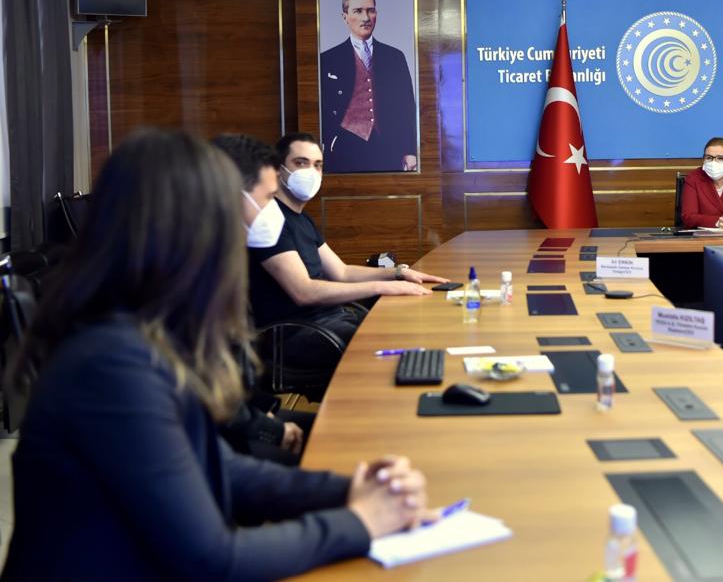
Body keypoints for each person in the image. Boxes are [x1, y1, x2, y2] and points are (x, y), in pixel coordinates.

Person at [2, 129, 434, 580]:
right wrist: (362, 521)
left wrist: (352, 490)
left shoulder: (153, 331)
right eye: (251, 205)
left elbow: (218, 466)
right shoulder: (112, 363)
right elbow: (212, 560)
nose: (262, 220)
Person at [248, 133, 446, 398]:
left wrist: (398, 273)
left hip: (329, 320)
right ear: (279, 169)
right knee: (386, 348)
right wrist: (381, 287)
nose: (311, 172)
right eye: (301, 162)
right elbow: (303, 291)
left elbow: (341, 271)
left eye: (318, 165)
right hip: (294, 335)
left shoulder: (302, 220)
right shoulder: (268, 222)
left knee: (401, 327)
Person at [212, 133, 313, 466]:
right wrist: (269, 428)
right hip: (225, 452)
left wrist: (265, 413)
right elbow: (206, 399)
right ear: (231, 196)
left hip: (243, 418)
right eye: (269, 198)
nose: (275, 211)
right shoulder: (195, 285)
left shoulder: (224, 263)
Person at [320, 0, 417, 173]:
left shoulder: (394, 57)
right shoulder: (328, 59)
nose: (366, 17)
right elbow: (321, 107)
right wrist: (329, 140)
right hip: (344, 146)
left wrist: (409, 150)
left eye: (370, 11)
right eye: (358, 11)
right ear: (345, 17)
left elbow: (407, 106)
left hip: (388, 145)